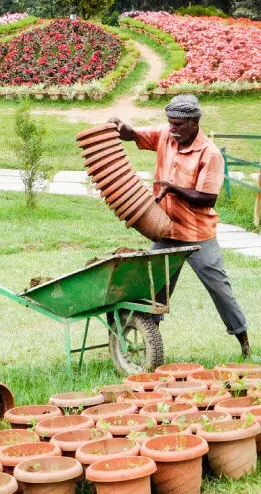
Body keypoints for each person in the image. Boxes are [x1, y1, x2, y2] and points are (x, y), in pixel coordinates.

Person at [107, 94, 250, 358]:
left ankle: (244, 343)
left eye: (179, 124)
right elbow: (135, 135)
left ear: (194, 123)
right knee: (153, 291)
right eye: (170, 123)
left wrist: (173, 189)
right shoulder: (166, 135)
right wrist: (121, 127)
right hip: (165, 232)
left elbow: (207, 199)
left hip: (198, 235)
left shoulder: (210, 154)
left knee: (219, 288)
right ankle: (148, 349)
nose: (173, 129)